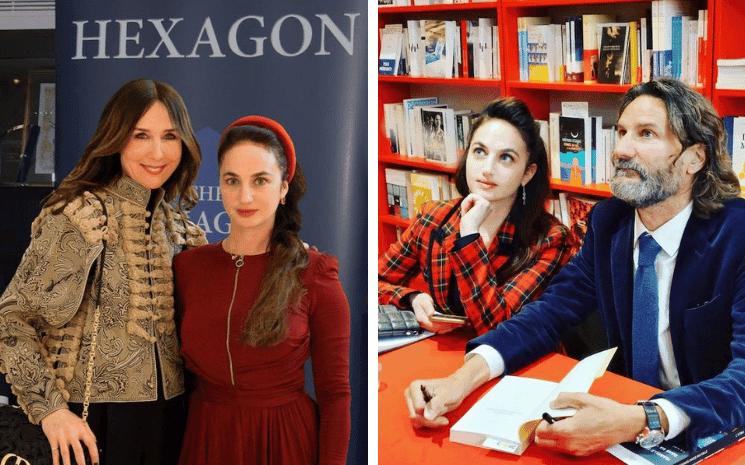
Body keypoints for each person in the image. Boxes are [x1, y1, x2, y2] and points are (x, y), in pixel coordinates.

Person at [404, 78, 745, 455]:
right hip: (622, 423)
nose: (621, 150)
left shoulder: (738, 236)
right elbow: (550, 313)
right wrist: (461, 379)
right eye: (621, 133)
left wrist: (641, 419)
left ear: (694, 158)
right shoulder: (609, 222)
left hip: (714, 431)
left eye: (645, 134)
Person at [0, 78, 206, 465]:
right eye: (140, 135)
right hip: (92, 422)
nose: (157, 152)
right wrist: (52, 411)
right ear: (116, 138)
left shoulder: (181, 229)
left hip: (173, 422)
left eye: (170, 136)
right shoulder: (78, 219)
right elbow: (11, 321)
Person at [174, 116, 351, 464]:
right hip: (207, 437)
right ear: (219, 186)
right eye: (232, 181)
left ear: (283, 187)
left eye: (260, 180)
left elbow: (335, 395)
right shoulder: (187, 268)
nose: (245, 196)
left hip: (283, 440)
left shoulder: (315, 274)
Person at [379, 97, 578, 335]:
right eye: (480, 151)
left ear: (527, 173)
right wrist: (410, 297)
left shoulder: (550, 240)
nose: (487, 168)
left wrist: (470, 237)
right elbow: (371, 282)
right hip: (444, 354)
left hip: (516, 364)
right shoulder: (433, 216)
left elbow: (497, 327)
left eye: (506, 157)